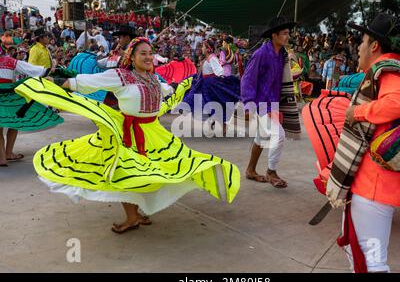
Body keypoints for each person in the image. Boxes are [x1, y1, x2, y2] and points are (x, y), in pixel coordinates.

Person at [15, 37, 240, 233]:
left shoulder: (153, 78)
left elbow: (166, 91)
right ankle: (132, 216)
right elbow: (82, 83)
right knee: (126, 173)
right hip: (127, 133)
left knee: (155, 172)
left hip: (154, 133)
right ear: (131, 56)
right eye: (143, 53)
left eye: (151, 53)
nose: (149, 57)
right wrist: (50, 83)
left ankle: (137, 212)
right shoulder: (120, 76)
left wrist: (183, 85)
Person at [325, 13, 400, 273]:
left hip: (374, 186)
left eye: (362, 40)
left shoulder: (388, 71)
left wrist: (356, 112)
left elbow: (399, 103)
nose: (358, 47)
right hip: (374, 185)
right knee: (359, 253)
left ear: (374, 46)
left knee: (373, 263)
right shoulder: (391, 71)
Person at [241, 16, 301, 188]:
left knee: (261, 137)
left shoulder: (282, 55)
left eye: (288, 33)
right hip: (260, 104)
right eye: (284, 33)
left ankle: (250, 170)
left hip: (272, 103)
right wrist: (248, 105)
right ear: (274, 35)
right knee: (278, 135)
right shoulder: (260, 54)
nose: (288, 36)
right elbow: (247, 79)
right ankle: (271, 172)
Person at [0, 44, 62, 167]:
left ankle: (2, 157)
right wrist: (48, 71)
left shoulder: (10, 61)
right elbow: (31, 69)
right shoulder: (10, 61)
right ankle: (8, 153)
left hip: (6, 96)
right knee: (14, 122)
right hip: (10, 97)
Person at [182, 39, 241, 135]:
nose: (202, 48)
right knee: (207, 103)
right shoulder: (207, 58)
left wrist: (222, 81)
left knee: (212, 103)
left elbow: (219, 71)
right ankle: (214, 119)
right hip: (205, 84)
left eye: (203, 47)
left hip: (211, 85)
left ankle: (216, 120)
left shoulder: (212, 58)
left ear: (208, 49)